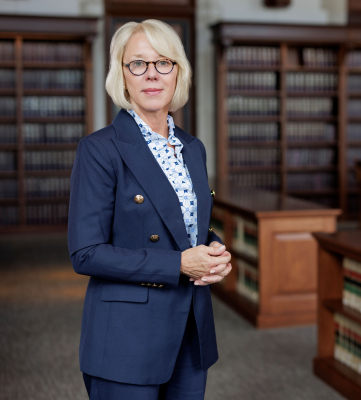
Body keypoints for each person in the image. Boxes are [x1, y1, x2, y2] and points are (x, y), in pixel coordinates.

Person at [68, 19, 232, 400]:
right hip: (127, 338)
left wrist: (214, 250)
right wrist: (178, 264)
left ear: (179, 73)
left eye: (164, 63)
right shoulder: (100, 149)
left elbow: (186, 228)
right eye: (138, 64)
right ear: (122, 76)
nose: (152, 75)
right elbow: (85, 253)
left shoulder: (193, 148)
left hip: (190, 331)